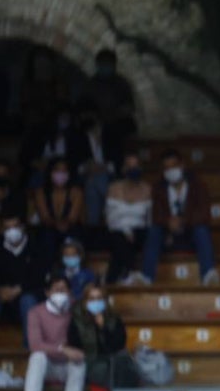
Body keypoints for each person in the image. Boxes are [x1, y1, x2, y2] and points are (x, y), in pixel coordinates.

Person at [143, 149, 219, 286]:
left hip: (191, 234)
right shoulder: (158, 188)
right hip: (168, 237)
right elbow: (155, 215)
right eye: (167, 168)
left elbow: (204, 214)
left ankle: (208, 275)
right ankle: (147, 277)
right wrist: (168, 222)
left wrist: (182, 221)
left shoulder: (198, 186)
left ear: (182, 165)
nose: (171, 170)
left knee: (202, 229)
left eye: (174, 166)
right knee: (154, 231)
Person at [14, 276, 86, 391]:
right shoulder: (35, 312)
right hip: (47, 366)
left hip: (67, 365)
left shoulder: (77, 310)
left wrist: (72, 351)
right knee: (37, 356)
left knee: (79, 362)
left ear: (70, 292)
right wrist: (62, 349)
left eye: (63, 289)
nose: (60, 293)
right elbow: (35, 344)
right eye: (55, 290)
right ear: (47, 293)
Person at [67, 283, 138, 391]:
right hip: (90, 362)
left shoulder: (114, 318)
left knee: (124, 363)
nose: (95, 302)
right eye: (91, 299)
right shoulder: (77, 320)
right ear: (85, 302)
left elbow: (119, 344)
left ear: (104, 301)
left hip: (113, 361)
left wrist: (103, 328)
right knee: (112, 372)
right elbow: (75, 345)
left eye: (99, 298)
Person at [70, 104, 124, 233]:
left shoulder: (111, 135)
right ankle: (112, 209)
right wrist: (86, 167)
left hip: (108, 176)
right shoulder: (78, 137)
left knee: (94, 181)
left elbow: (118, 162)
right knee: (93, 179)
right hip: (86, 176)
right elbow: (73, 164)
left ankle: (92, 227)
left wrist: (104, 167)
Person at [104, 152, 152, 284]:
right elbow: (110, 219)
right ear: (124, 169)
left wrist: (134, 232)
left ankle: (112, 280)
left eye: (136, 166)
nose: (133, 169)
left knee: (139, 238)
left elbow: (149, 219)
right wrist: (126, 231)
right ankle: (132, 272)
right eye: (129, 166)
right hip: (117, 230)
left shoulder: (147, 189)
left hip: (140, 231)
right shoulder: (114, 188)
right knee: (119, 240)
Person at [0, 212, 49, 333]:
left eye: (15, 226)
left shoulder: (36, 245)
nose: (12, 231)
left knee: (27, 300)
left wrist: (17, 290)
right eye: (7, 228)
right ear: (1, 230)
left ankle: (31, 348)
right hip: (3, 295)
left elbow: (39, 276)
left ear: (22, 227)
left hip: (29, 293)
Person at [75, 48, 137, 141]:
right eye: (102, 63)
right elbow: (83, 108)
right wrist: (95, 117)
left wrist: (114, 114)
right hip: (96, 128)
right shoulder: (91, 85)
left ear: (113, 65)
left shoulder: (121, 84)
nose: (105, 66)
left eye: (108, 63)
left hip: (119, 127)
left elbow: (129, 107)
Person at [32, 156, 84, 254]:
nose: (60, 174)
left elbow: (73, 218)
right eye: (57, 170)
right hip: (49, 227)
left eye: (64, 171)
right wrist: (56, 224)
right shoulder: (40, 192)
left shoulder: (76, 192)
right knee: (46, 235)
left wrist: (64, 224)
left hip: (70, 227)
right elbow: (44, 217)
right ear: (50, 172)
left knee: (73, 235)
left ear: (69, 174)